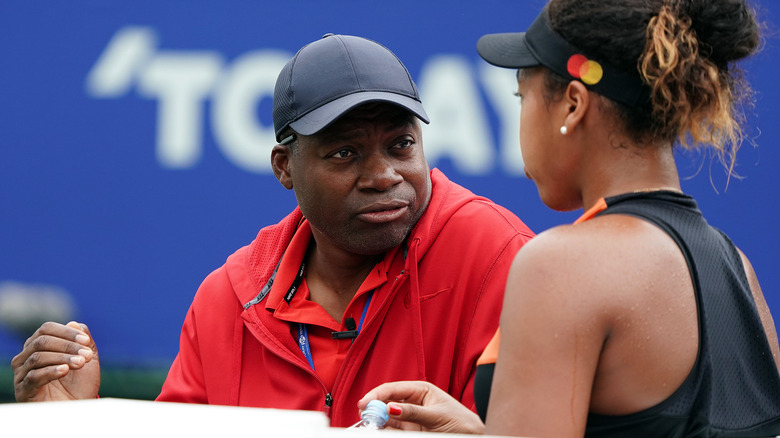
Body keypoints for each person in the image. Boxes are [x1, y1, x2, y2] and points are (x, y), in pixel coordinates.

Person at [10, 34, 535, 427]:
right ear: (284, 167)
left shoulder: (497, 257)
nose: (383, 176)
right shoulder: (227, 299)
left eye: (401, 145)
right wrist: (69, 424)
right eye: (345, 153)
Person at [358, 1, 780, 437]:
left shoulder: (562, 266)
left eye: (522, 97)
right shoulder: (737, 267)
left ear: (574, 105)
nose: (520, 116)